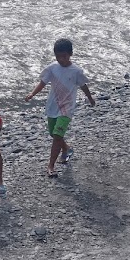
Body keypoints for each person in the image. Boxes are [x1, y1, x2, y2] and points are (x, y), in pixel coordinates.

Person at [24, 38, 95, 177]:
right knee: (53, 133)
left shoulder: (76, 71)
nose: (61, 59)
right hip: (52, 106)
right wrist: (32, 93)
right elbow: (43, 82)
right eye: (58, 56)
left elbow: (83, 86)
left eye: (64, 56)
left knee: (57, 135)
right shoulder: (52, 68)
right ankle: (67, 149)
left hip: (66, 108)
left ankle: (51, 165)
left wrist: (90, 98)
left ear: (70, 54)